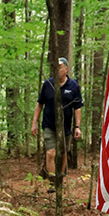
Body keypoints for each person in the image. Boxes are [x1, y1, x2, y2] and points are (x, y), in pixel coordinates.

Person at [31, 57, 83, 189]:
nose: (57, 70)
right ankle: (53, 182)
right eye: (55, 67)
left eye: (59, 67)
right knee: (51, 153)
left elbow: (77, 107)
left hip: (65, 127)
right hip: (49, 125)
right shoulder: (47, 84)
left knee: (64, 153)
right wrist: (34, 123)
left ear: (66, 69)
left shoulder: (73, 86)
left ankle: (61, 178)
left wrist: (77, 127)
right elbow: (39, 104)